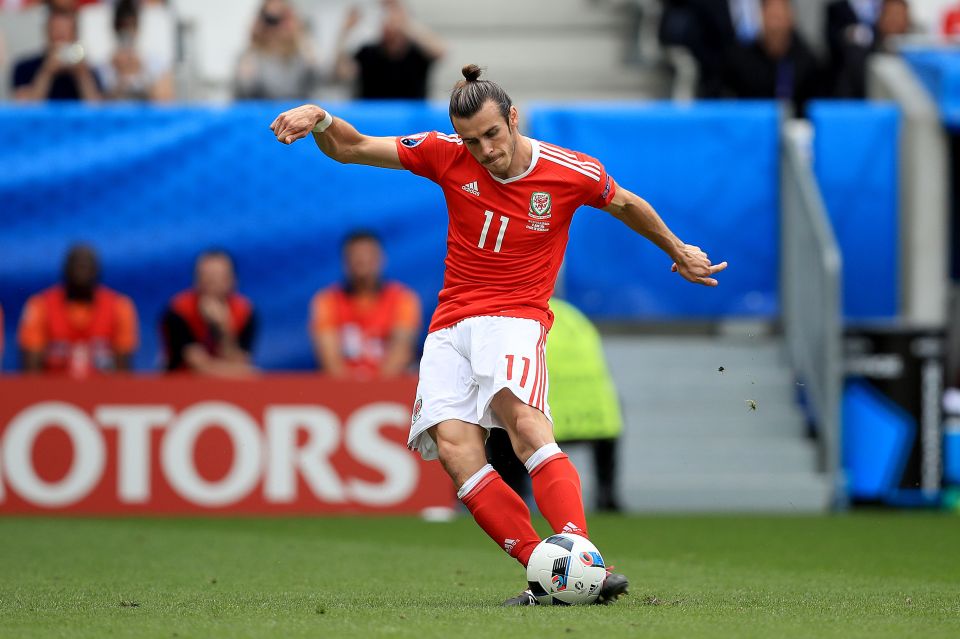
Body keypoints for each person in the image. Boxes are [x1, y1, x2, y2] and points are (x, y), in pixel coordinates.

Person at [269, 64, 727, 606]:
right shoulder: (444, 153)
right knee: (455, 449)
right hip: (448, 324)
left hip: (514, 315)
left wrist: (679, 251)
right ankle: (547, 571)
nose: (485, 150)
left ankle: (580, 556)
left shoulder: (569, 169)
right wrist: (320, 117)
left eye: (492, 134)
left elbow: (627, 203)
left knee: (523, 423)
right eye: (472, 140)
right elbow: (353, 148)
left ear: (513, 118)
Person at [487, 297, 625, 512]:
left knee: (500, 426)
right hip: (596, 415)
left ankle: (513, 500)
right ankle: (607, 497)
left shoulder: (516, 321)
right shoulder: (573, 317)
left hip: (545, 416)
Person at [309, 230, 421, 379]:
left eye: (368, 256)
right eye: (356, 258)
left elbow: (401, 351)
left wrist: (373, 393)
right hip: (340, 388)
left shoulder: (403, 299)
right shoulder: (326, 300)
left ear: (381, 259)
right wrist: (353, 393)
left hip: (389, 388)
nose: (362, 262)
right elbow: (329, 358)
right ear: (345, 262)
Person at [17, 244, 139, 376]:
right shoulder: (40, 305)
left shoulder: (119, 306)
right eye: (77, 266)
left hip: (104, 392)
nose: (81, 271)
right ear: (65, 270)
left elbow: (123, 371)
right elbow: (30, 371)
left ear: (98, 271)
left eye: (87, 267)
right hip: (53, 392)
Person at [161, 249, 258, 377]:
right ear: (196, 280)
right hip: (182, 385)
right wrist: (242, 373)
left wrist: (223, 328)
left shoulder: (246, 312)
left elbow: (238, 361)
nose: (212, 283)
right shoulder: (178, 311)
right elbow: (198, 365)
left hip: (230, 389)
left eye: (219, 277)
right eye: (206, 276)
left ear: (233, 280)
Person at [722, 0, 824, 117]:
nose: (775, 25)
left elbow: (816, 105)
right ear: (761, 16)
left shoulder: (808, 61)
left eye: (779, 16)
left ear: (791, 17)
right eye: (771, 16)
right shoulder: (740, 59)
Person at [336, 0, 445, 100]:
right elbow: (342, 73)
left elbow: (440, 52)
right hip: (374, 114)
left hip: (412, 116)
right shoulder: (368, 53)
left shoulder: (418, 53)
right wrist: (345, 32)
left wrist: (405, 23)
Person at [12, 5, 102, 101]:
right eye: (56, 35)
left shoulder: (89, 70)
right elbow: (23, 110)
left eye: (65, 36)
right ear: (47, 33)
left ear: (75, 36)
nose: (60, 44)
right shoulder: (24, 68)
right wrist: (47, 72)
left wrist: (82, 75)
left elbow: (97, 110)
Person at [234, 0, 318, 100]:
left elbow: (316, 78)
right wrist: (254, 39)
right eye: (271, 19)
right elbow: (244, 89)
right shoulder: (252, 55)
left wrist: (298, 33)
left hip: (297, 111)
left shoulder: (301, 53)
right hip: (262, 112)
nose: (276, 25)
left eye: (281, 18)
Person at [100, 0, 174, 101]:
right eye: (122, 26)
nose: (127, 31)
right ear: (114, 28)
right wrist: (120, 78)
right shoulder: (105, 67)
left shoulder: (154, 63)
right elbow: (97, 107)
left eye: (132, 25)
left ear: (138, 27)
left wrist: (141, 71)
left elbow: (166, 103)